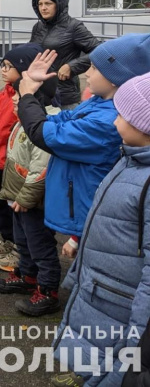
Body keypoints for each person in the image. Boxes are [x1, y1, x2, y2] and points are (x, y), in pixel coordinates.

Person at [49, 71, 150, 387]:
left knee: (113, 373)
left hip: (122, 311)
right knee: (93, 362)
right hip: (101, 296)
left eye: (123, 114)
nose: (115, 121)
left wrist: (135, 351)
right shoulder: (130, 159)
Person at [17, 33, 150, 260]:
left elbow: (47, 135)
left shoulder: (108, 121)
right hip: (81, 205)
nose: (87, 72)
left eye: (95, 69)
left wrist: (27, 95)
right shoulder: (98, 103)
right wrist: (34, 93)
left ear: (115, 78)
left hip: (87, 209)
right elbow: (56, 121)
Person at [0, 75, 62, 318]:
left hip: (32, 202)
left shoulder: (45, 124)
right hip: (18, 198)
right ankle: (27, 275)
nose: (14, 100)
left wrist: (26, 198)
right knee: (24, 241)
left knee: (40, 244)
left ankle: (48, 290)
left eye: (20, 97)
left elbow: (40, 167)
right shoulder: (23, 121)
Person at [0, 44, 44, 270]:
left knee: (15, 207)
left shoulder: (24, 97)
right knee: (0, 203)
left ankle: (19, 249)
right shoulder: (4, 92)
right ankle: (6, 239)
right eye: (2, 65)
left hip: (13, 162)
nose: (3, 70)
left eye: (9, 66)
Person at [29, 0, 101, 109]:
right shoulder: (38, 27)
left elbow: (100, 51)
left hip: (64, 96)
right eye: (40, 4)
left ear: (59, 4)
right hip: (40, 92)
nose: (43, 8)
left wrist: (72, 66)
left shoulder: (74, 26)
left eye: (48, 3)